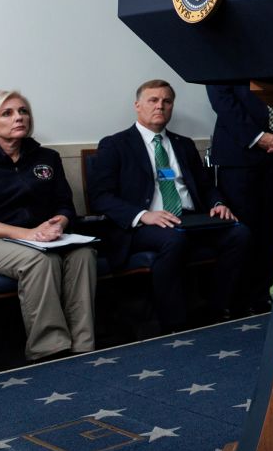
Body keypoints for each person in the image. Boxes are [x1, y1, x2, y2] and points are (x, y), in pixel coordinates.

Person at [89, 80, 251, 331]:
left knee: (239, 233)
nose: (160, 106)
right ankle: (173, 323)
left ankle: (217, 310)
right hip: (143, 225)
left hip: (190, 218)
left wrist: (218, 203)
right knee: (173, 239)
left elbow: (206, 186)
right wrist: (143, 215)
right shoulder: (115, 144)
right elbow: (100, 197)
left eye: (166, 101)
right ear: (138, 105)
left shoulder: (183, 144)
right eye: (153, 100)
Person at [0, 90, 96, 360]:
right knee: (40, 259)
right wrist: (29, 234)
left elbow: (64, 204)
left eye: (23, 111)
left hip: (41, 238)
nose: (19, 117)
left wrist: (59, 223)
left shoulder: (46, 158)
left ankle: (83, 345)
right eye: (8, 113)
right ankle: (49, 348)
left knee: (83, 254)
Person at [206, 84, 273, 312]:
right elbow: (222, 99)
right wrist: (257, 137)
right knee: (243, 231)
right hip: (239, 155)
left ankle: (260, 298)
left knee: (269, 231)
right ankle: (234, 303)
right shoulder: (228, 53)